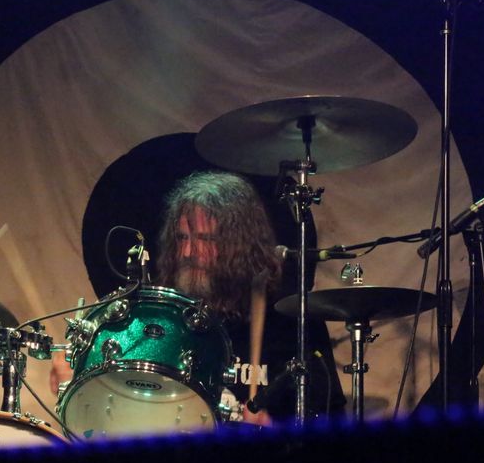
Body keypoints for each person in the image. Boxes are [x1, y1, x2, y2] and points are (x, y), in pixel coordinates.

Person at [50, 170, 345, 425]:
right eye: (182, 238)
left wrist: (273, 428)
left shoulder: (290, 320)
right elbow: (124, 406)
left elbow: (330, 423)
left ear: (239, 245)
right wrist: (78, 379)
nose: (189, 253)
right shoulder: (161, 321)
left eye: (204, 240)